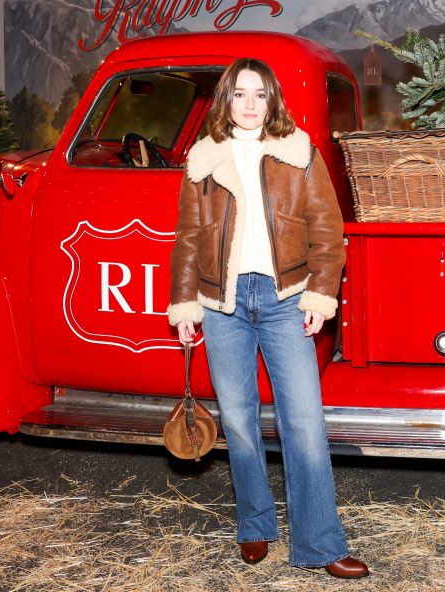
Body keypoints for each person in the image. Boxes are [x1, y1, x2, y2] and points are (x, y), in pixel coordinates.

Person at [167, 58, 369, 579]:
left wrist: (320, 296)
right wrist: (186, 302)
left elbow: (328, 229)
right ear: (225, 100)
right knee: (237, 422)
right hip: (223, 306)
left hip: (285, 302)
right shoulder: (204, 159)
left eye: (260, 94)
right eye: (240, 94)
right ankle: (255, 525)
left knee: (303, 424)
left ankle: (321, 544)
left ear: (273, 99)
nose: (250, 104)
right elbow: (189, 238)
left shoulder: (298, 152)